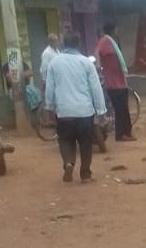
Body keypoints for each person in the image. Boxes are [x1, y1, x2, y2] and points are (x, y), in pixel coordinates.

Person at [44, 32, 106, 183]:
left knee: (65, 139)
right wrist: (101, 111)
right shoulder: (86, 63)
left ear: (63, 44)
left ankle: (68, 162)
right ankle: (85, 174)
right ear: (78, 44)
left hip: (64, 112)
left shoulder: (55, 63)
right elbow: (96, 88)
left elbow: (49, 89)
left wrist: (49, 108)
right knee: (85, 143)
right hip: (84, 111)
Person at [96, 23, 135, 141]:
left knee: (124, 109)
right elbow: (97, 52)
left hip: (120, 81)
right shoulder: (104, 41)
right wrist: (98, 66)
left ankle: (126, 132)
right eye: (116, 29)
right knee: (120, 109)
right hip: (113, 83)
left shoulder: (112, 42)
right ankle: (121, 134)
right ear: (113, 30)